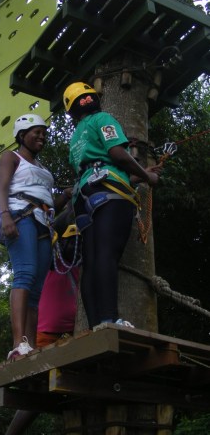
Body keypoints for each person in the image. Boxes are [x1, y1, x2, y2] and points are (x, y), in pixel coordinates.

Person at [63, 82, 163, 330]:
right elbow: (117, 154)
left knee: (93, 259)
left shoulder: (76, 136)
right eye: (87, 99)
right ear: (91, 101)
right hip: (110, 193)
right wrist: (148, 177)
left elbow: (102, 167)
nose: (89, 101)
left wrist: (140, 174)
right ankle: (110, 318)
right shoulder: (103, 119)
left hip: (84, 197)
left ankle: (99, 323)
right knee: (107, 254)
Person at [0, 114, 72, 360]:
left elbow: (50, 202)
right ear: (21, 135)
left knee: (37, 289)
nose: (41, 136)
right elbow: (3, 188)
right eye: (35, 132)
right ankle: (19, 343)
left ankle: (30, 346)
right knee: (25, 275)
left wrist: (68, 194)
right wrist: (5, 215)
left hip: (44, 221)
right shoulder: (11, 157)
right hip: (21, 216)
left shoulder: (42, 169)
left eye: (43, 133)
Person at [4, 225, 80, 435]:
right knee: (39, 393)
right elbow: (48, 231)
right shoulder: (50, 263)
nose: (74, 245)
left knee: (70, 388)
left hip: (72, 335)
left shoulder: (79, 265)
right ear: (61, 243)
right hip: (45, 335)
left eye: (77, 241)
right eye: (70, 240)